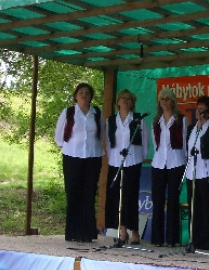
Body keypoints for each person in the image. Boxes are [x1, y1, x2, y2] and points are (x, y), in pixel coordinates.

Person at [54, 82, 103, 242]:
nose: (84, 95)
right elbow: (59, 136)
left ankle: (87, 233)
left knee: (89, 194)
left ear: (90, 96)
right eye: (81, 92)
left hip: (92, 158)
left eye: (87, 92)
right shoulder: (68, 112)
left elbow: (102, 134)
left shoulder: (97, 112)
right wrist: (71, 148)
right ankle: (73, 232)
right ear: (76, 95)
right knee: (73, 193)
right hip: (72, 157)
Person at [104, 89, 149, 245]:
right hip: (116, 163)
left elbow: (145, 142)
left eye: (128, 99)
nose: (125, 101)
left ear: (132, 102)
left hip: (133, 162)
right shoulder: (110, 120)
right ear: (118, 102)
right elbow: (109, 144)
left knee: (131, 197)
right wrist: (113, 159)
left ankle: (134, 232)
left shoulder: (138, 119)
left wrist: (138, 158)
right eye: (122, 98)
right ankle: (122, 232)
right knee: (117, 198)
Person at [186, 96, 209, 250]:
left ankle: (208, 242)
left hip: (207, 172)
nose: (199, 111)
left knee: (207, 208)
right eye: (197, 108)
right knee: (194, 208)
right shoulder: (191, 129)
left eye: (202, 109)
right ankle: (194, 240)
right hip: (192, 173)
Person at [151, 88, 187, 248]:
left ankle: (172, 239)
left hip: (176, 163)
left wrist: (184, 160)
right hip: (159, 164)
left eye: (167, 98)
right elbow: (155, 144)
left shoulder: (181, 120)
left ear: (173, 101)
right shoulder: (155, 121)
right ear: (159, 102)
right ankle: (157, 238)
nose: (164, 101)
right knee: (158, 200)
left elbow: (185, 142)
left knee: (173, 200)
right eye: (162, 99)